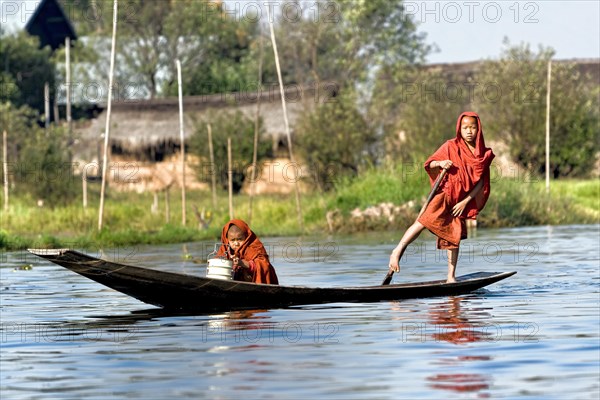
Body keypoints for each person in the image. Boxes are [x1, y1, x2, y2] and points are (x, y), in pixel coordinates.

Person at [388, 111, 495, 283]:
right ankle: (397, 250)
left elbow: (481, 184)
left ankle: (450, 277)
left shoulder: (482, 154)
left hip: (459, 201)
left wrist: (465, 202)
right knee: (423, 221)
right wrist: (440, 163)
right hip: (444, 194)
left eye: (473, 127)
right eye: (465, 127)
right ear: (459, 129)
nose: (469, 131)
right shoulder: (450, 146)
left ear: (479, 129)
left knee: (454, 236)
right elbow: (430, 163)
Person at [216, 219, 279, 285]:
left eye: (239, 239)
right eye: (232, 240)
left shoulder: (254, 246)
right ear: (227, 240)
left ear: (246, 237)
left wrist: (243, 263)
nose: (236, 243)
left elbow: (265, 265)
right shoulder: (225, 249)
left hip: (254, 283)